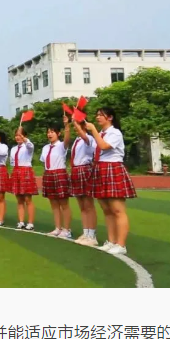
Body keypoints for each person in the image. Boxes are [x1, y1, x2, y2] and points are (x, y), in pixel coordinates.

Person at [86, 107, 137, 255]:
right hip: (101, 168)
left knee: (118, 210)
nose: (97, 117)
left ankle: (121, 244)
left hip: (112, 168)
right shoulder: (101, 133)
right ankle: (111, 241)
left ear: (110, 117)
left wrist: (93, 130)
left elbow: (104, 146)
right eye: (97, 115)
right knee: (107, 210)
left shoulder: (115, 133)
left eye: (101, 115)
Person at [64, 114, 98, 245]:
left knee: (89, 205)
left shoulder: (89, 138)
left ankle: (92, 235)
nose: (75, 127)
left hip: (84, 170)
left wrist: (75, 122)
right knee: (82, 205)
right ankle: (86, 232)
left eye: (78, 124)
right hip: (76, 171)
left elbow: (85, 137)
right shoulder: (77, 141)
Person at [41, 123, 72, 238]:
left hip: (59, 173)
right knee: (53, 203)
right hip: (48, 173)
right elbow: (44, 162)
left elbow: (67, 140)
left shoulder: (61, 146)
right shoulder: (45, 148)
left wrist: (67, 127)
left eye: (52, 132)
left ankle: (67, 229)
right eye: (48, 132)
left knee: (64, 204)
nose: (49, 134)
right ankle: (57, 228)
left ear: (58, 134)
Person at [9, 126, 38, 230]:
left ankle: (30, 223)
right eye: (16, 135)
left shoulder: (27, 146)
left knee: (27, 199)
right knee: (19, 199)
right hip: (16, 171)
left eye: (20, 135)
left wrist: (25, 139)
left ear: (25, 136)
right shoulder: (13, 149)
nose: (18, 137)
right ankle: (21, 221)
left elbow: (30, 146)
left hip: (25, 171)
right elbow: (12, 161)